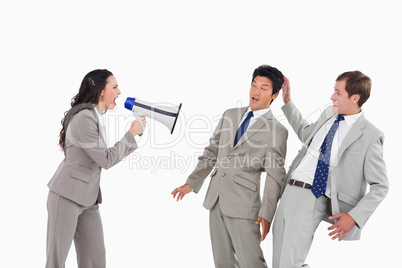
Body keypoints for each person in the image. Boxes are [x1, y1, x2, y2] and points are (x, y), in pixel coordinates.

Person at [172, 65, 288, 268]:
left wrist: (267, 213)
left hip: (244, 206)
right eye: (254, 85)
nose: (255, 91)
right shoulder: (230, 114)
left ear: (274, 95)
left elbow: (275, 175)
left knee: (251, 262)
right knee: (223, 263)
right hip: (215, 200)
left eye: (263, 88)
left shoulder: (276, 131)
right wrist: (191, 183)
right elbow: (211, 152)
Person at [272, 71, 389, 268]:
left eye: (337, 92)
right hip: (289, 190)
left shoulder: (370, 135)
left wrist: (354, 216)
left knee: (289, 264)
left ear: (355, 98)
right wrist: (287, 101)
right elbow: (306, 133)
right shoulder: (329, 113)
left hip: (312, 196)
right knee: (279, 262)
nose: (332, 97)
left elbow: (381, 186)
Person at [46, 69, 146, 268]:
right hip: (66, 196)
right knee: (56, 262)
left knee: (95, 260)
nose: (119, 92)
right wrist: (131, 134)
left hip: (88, 199)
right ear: (101, 90)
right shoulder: (84, 118)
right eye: (115, 87)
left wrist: (132, 135)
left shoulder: (95, 116)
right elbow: (106, 160)